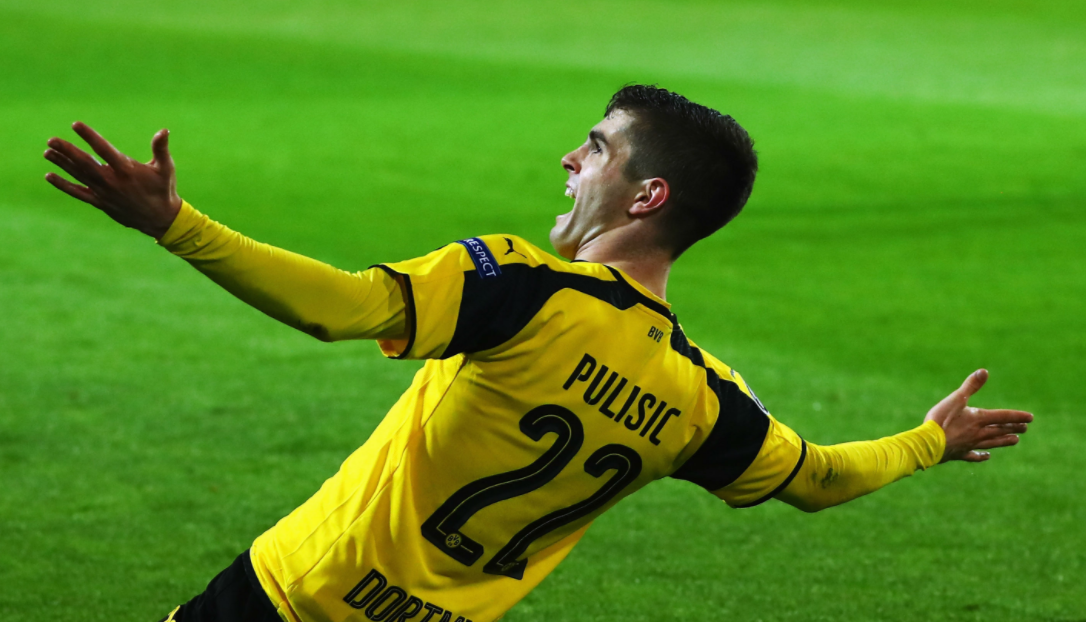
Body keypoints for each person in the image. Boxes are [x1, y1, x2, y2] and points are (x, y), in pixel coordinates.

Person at [43, 85, 1032, 622]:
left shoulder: (526, 287)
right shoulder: (702, 398)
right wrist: (928, 443)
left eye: (596, 147)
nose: (570, 157)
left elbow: (341, 309)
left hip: (291, 599)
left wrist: (177, 225)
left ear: (645, 196)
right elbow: (817, 479)